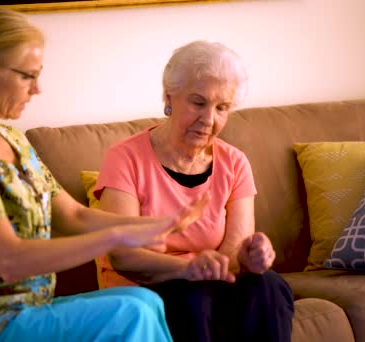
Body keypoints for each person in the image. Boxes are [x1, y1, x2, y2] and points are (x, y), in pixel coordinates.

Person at [0, 9, 210, 342]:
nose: (37, 89)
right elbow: (10, 260)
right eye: (27, 76)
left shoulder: (13, 140)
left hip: (30, 309)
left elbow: (74, 215)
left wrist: (160, 224)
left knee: (145, 301)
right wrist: (113, 239)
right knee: (131, 313)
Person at [94, 40, 295, 342]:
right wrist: (189, 268)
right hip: (146, 288)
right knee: (193, 297)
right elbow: (123, 256)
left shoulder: (235, 163)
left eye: (222, 108)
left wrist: (251, 256)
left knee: (269, 285)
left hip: (211, 284)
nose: (209, 119)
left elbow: (233, 253)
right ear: (168, 97)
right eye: (198, 103)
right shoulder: (125, 158)